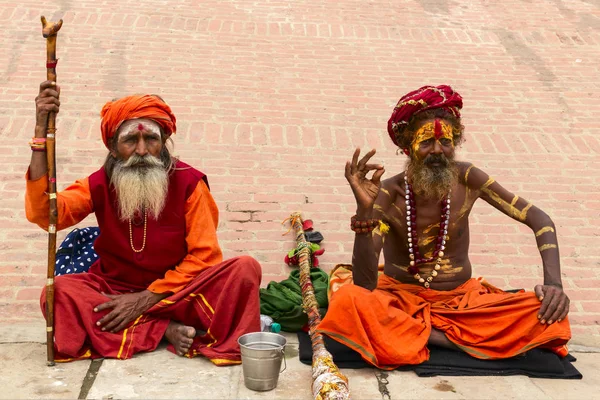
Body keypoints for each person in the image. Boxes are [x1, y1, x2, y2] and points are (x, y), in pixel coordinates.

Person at [317, 85, 571, 369]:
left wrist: (554, 284)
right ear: (407, 145)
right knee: (350, 300)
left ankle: (421, 335)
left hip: (463, 304)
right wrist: (364, 210)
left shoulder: (467, 177)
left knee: (547, 311)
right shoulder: (387, 194)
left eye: (445, 142)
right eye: (426, 142)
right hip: (399, 301)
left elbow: (540, 220)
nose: (437, 151)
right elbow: (365, 284)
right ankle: (457, 340)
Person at [26, 81, 262, 365]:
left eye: (151, 139)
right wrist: (41, 131)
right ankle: (163, 330)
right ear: (113, 148)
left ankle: (143, 325)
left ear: (163, 142)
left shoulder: (189, 183)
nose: (141, 150)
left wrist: (145, 299)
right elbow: (47, 214)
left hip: (177, 291)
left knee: (245, 269)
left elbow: (204, 256)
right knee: (58, 294)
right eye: (130, 141)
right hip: (114, 291)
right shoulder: (98, 183)